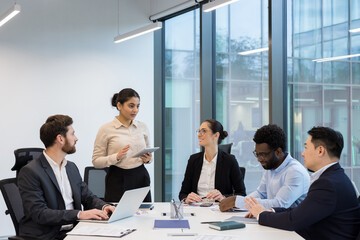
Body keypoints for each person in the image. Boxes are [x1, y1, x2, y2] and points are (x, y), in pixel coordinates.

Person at [239, 127, 360, 240]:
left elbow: (293, 220)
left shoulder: (327, 184)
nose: (303, 153)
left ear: (320, 150)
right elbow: (300, 211)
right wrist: (272, 211)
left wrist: (261, 214)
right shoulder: (333, 177)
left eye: (306, 147)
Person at [18, 115, 115, 240]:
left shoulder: (71, 167)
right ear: (60, 139)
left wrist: (104, 206)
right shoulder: (30, 172)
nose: (76, 138)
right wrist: (79, 214)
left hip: (74, 231)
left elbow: (88, 197)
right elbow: (40, 213)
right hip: (47, 235)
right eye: (72, 134)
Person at [220, 124, 310, 211]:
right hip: (273, 220)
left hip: (289, 224)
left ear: (278, 152)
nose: (259, 159)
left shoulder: (295, 172)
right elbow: (260, 194)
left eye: (263, 154)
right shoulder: (270, 167)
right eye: (257, 154)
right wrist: (237, 204)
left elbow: (279, 204)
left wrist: (238, 202)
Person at [92, 88, 152, 202]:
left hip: (141, 176)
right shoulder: (106, 129)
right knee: (117, 216)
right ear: (119, 105)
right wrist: (116, 157)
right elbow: (96, 161)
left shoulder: (142, 127)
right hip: (117, 178)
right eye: (131, 106)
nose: (135, 110)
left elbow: (149, 153)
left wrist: (148, 159)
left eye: (138, 106)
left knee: (144, 216)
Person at [179, 119, 246, 203]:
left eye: (203, 131)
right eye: (199, 131)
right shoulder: (193, 160)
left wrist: (223, 198)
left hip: (218, 211)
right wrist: (186, 198)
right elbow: (183, 193)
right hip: (197, 209)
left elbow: (241, 194)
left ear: (216, 135)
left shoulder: (229, 161)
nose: (199, 135)